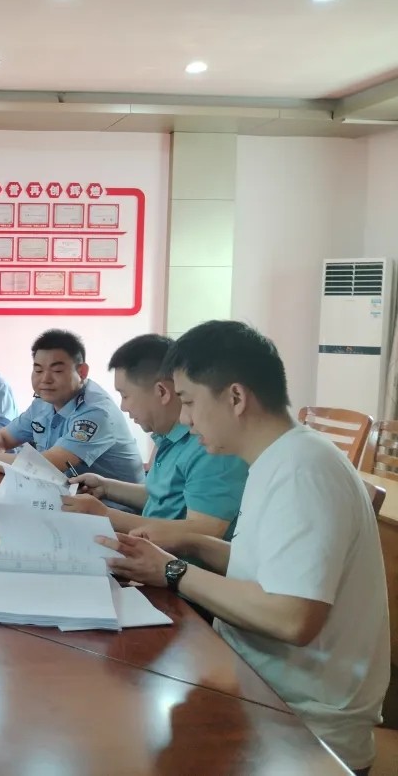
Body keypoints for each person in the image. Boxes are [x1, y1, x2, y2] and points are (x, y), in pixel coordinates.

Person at [99, 320, 388, 776]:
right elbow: (267, 569)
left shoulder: (302, 471)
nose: (186, 419)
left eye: (189, 401)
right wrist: (190, 541)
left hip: (301, 724)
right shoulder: (278, 459)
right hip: (255, 684)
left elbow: (291, 617)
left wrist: (173, 571)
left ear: (235, 397)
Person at [62, 333, 246, 538]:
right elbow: (161, 497)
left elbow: (205, 530)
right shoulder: (167, 437)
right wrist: (106, 486)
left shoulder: (208, 445)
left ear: (162, 392)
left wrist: (105, 515)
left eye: (125, 395)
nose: (123, 407)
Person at [0, 329, 144, 484]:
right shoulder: (43, 403)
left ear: (82, 372)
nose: (45, 379)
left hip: (112, 509)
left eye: (57, 370)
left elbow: (46, 466)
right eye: (38, 370)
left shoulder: (96, 412)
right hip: (69, 499)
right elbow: (4, 437)